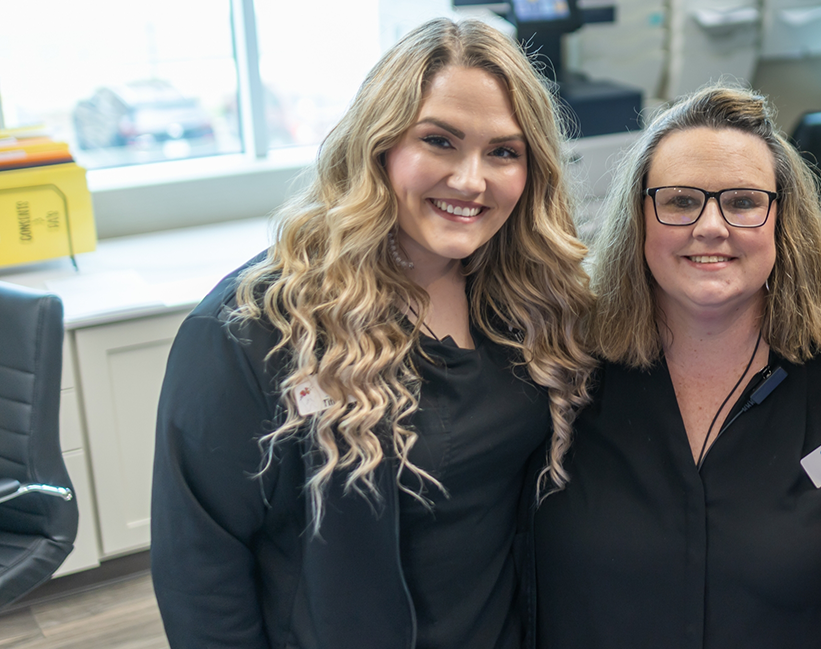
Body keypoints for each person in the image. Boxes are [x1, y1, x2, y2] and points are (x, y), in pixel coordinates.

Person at [150, 18, 594, 649]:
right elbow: (200, 570)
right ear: (378, 146)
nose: (472, 180)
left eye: (503, 151)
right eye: (439, 141)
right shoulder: (254, 329)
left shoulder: (527, 299)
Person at [531, 85, 821, 649]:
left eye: (742, 201)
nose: (711, 226)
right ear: (639, 216)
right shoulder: (563, 361)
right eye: (680, 200)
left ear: (782, 219)